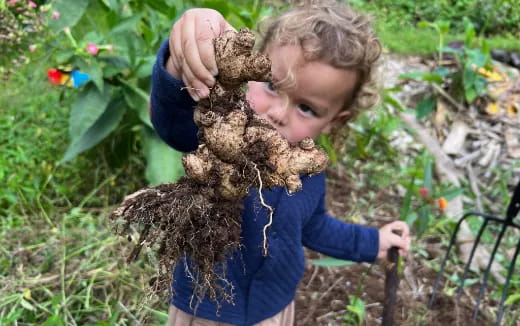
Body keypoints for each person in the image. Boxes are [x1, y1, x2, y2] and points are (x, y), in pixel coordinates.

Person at [150, 1, 411, 325]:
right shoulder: (222, 131)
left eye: (306, 108)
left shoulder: (309, 169)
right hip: (206, 305)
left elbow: (314, 226)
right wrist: (181, 61)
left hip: (272, 309)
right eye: (272, 86)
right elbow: (171, 122)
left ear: (334, 120)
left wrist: (373, 243)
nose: (278, 114)